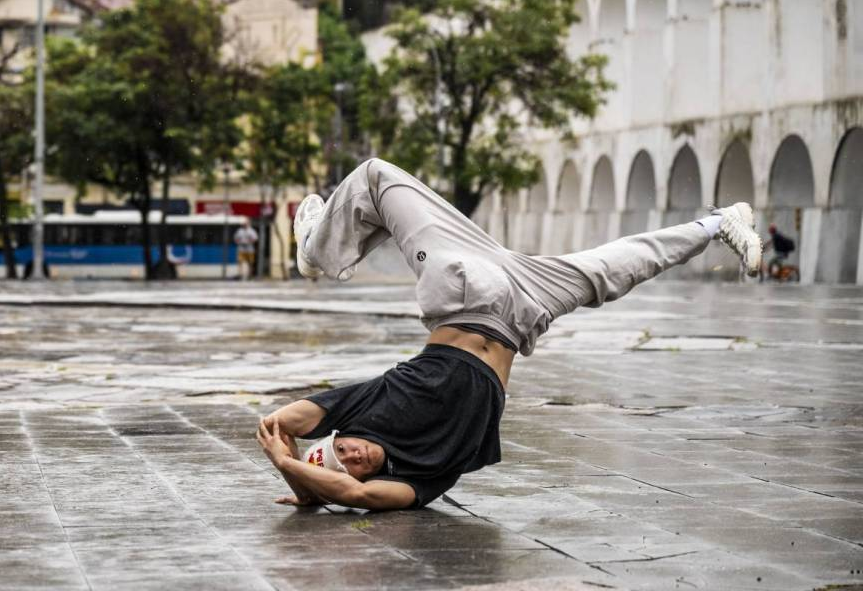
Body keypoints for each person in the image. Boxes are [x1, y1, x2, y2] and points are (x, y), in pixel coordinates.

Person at [255, 158, 762, 511]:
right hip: (523, 309)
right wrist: (311, 485)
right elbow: (359, 499)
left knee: (375, 176)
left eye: (343, 449)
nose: (355, 457)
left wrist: (292, 470)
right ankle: (720, 223)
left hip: (460, 289)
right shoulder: (419, 479)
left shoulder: (364, 409)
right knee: (618, 266)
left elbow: (282, 423)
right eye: (351, 466)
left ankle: (315, 245)